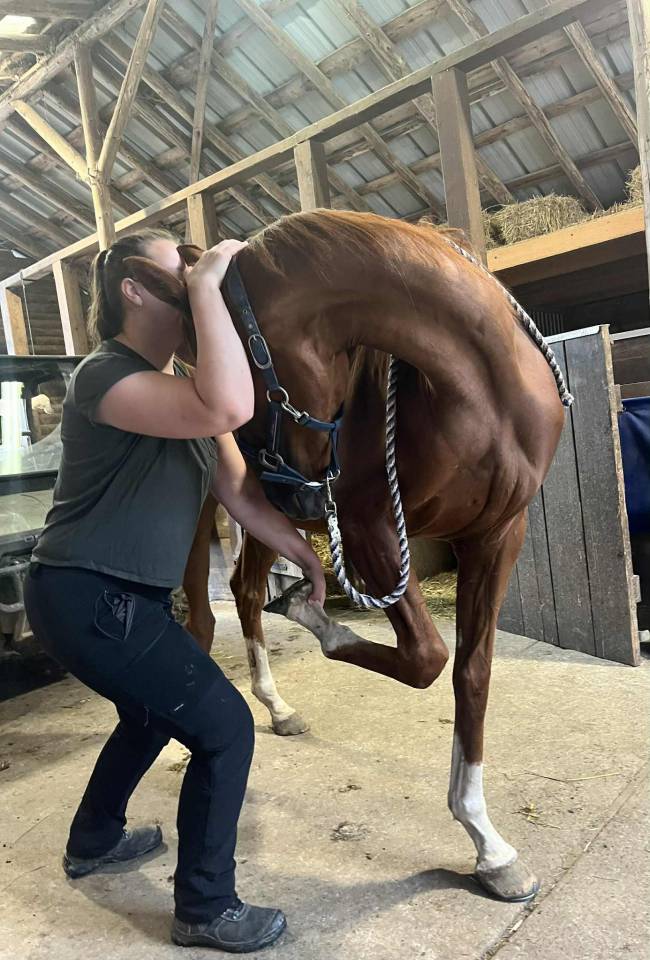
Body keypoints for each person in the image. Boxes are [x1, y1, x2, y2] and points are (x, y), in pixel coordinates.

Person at [23, 229, 326, 953]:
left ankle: (94, 839)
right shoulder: (105, 374)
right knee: (225, 729)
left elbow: (239, 492)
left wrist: (305, 555)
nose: (192, 279)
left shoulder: (181, 389)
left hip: (120, 601)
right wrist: (210, 280)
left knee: (149, 717)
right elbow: (228, 409)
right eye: (178, 272)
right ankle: (205, 907)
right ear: (133, 290)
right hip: (85, 592)